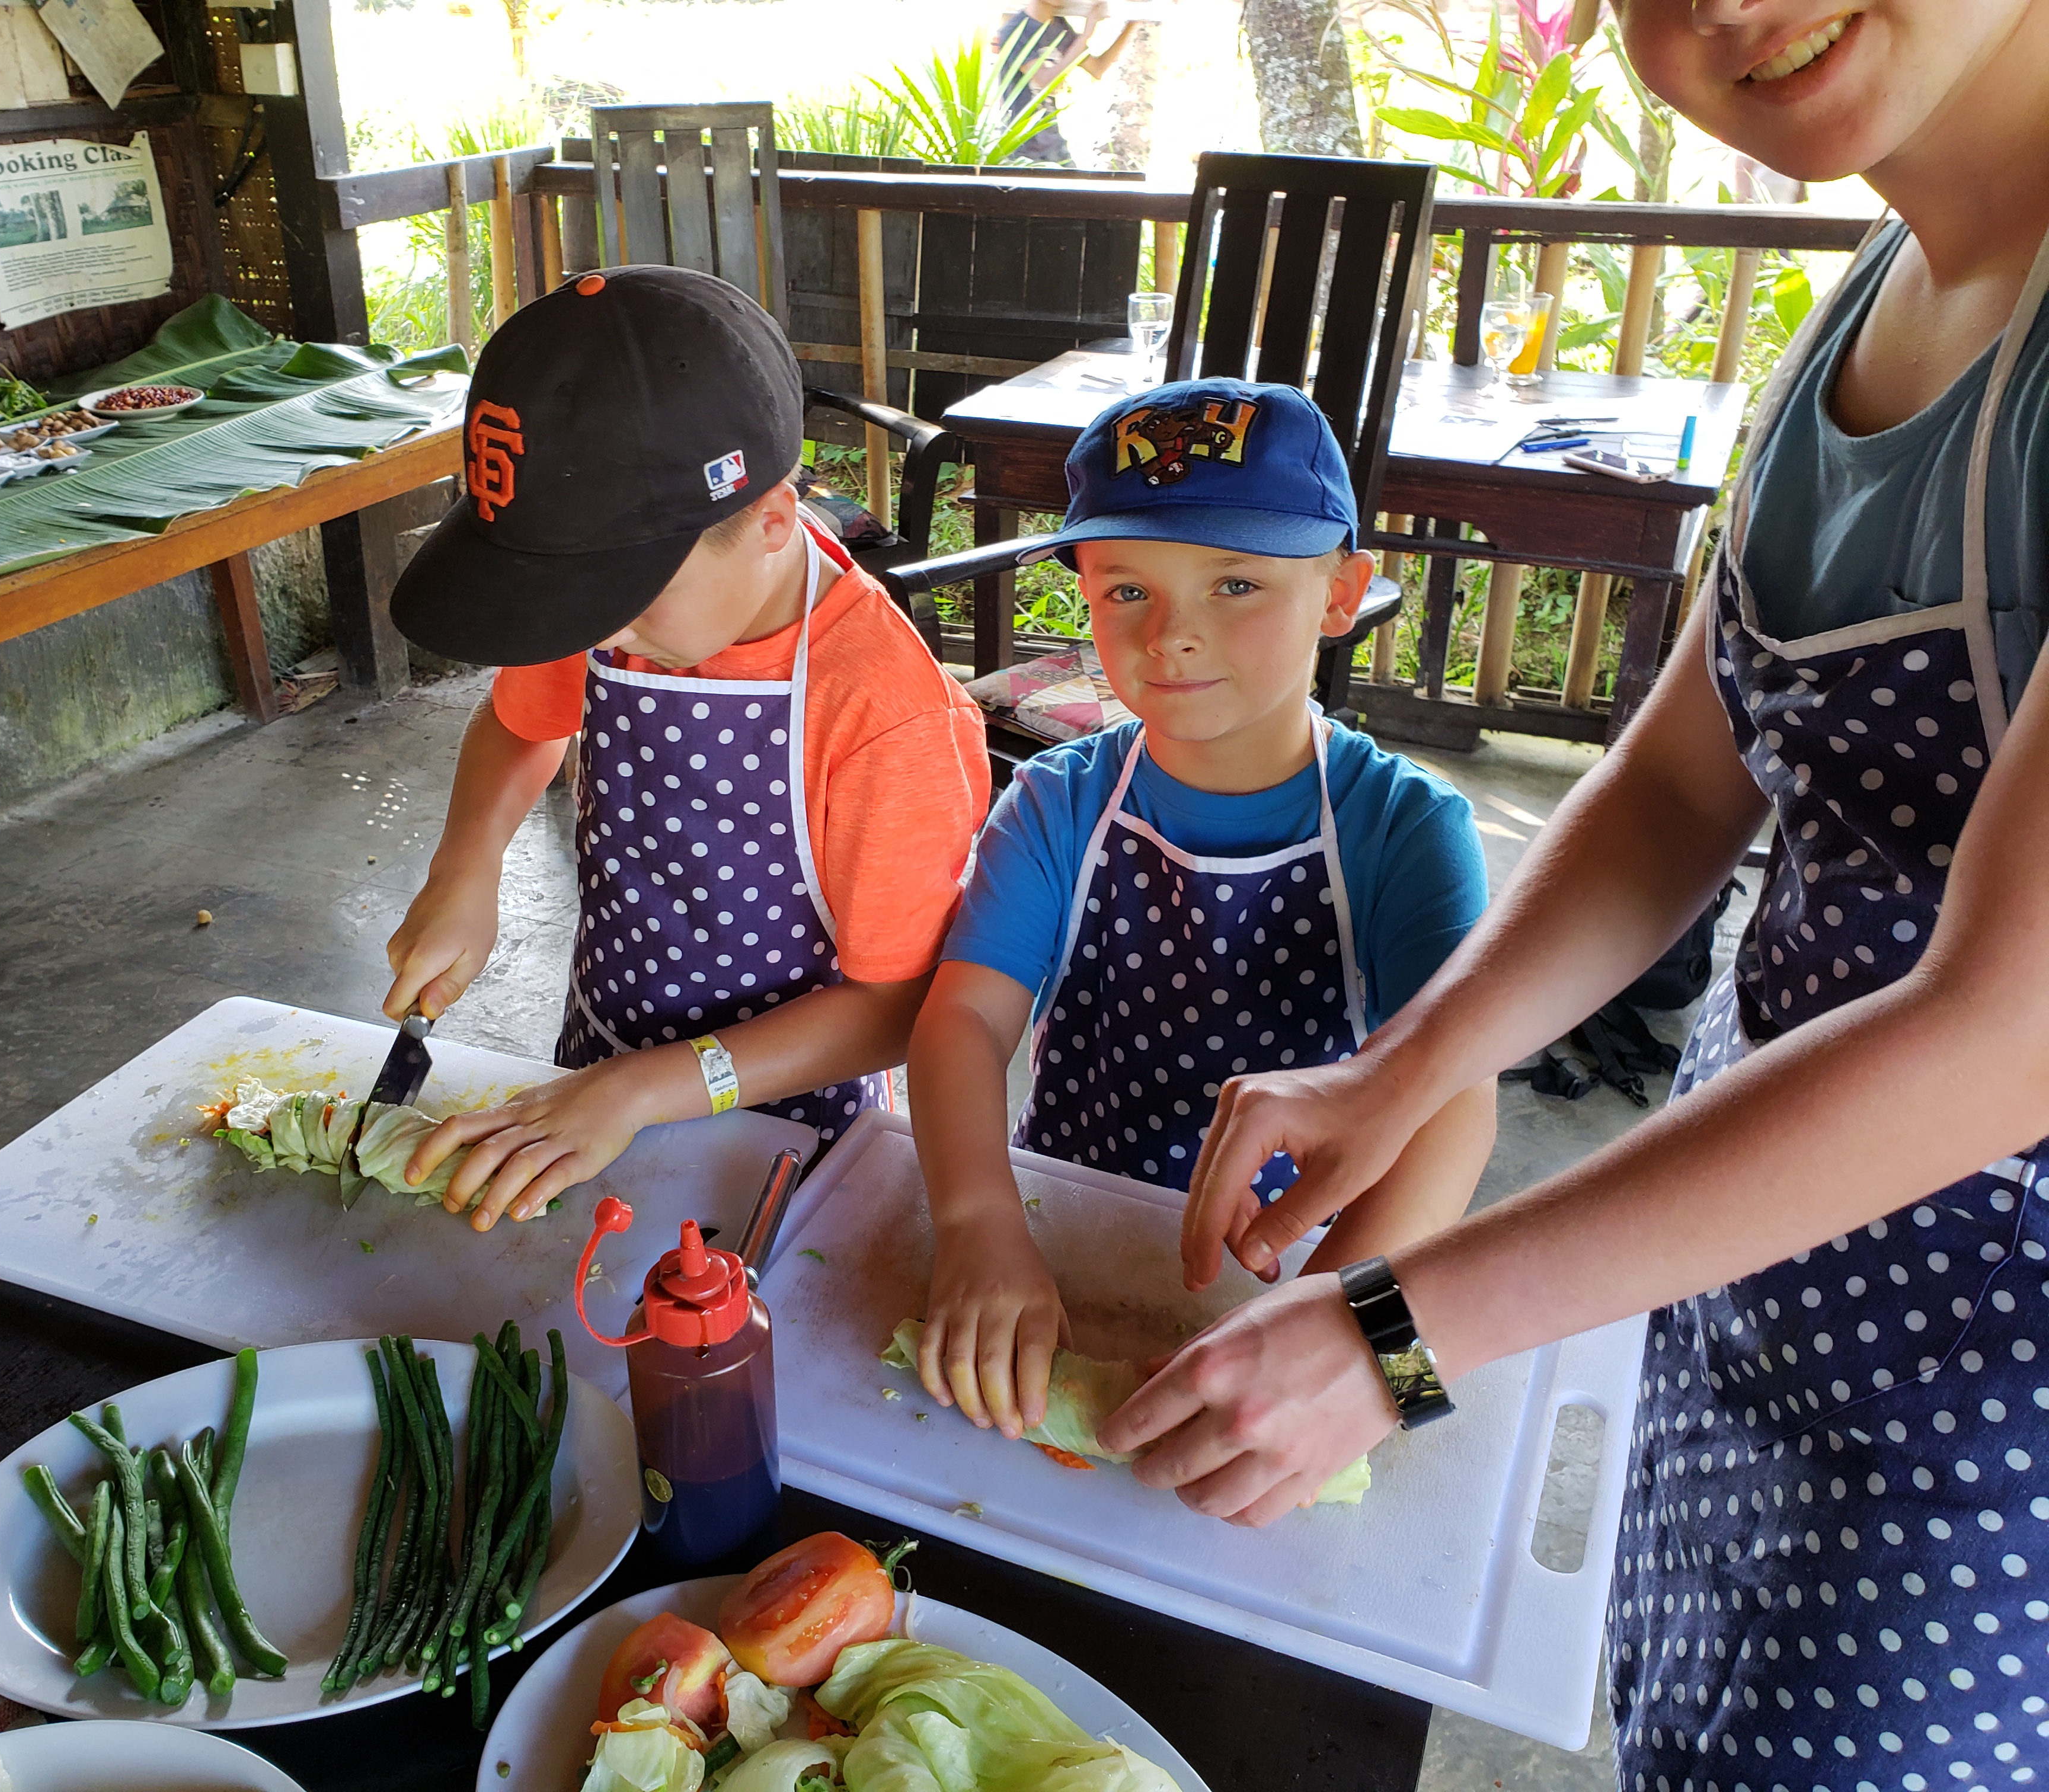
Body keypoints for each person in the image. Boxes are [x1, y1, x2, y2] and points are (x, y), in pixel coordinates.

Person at [1096, 2, 2049, 1785]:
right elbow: (1685, 784)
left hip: (1993, 1421)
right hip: (1744, 1258)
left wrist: (1399, 1326)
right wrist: (1398, 1070)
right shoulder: (1871, 296)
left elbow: (2012, 1033)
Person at [905, 378, 1497, 1439]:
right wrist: (976, 1218)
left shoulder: (1410, 830)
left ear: (1340, 592)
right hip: (1066, 1241)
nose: (1171, 635)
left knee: (1399, 1445)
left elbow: (1455, 1104)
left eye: (1234, 583)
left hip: (1318, 1267)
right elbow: (961, 1018)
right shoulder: (1055, 799)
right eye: (1127, 590)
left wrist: (1350, 1329)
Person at [382, 265, 990, 1227]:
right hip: (596, 1063)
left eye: (618, 602)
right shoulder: (613, 612)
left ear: (773, 522)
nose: (597, 636)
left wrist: (646, 1090)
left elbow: (897, 1005)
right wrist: (466, 867)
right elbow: (517, 724)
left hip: (788, 1136)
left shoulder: (884, 714)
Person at [989, 0, 1139, 167]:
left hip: (1053, 143)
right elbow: (1046, 82)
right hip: (1020, 146)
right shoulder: (1015, 31)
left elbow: (1097, 68)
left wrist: (1131, 25)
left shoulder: (1060, 28)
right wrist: (1086, 34)